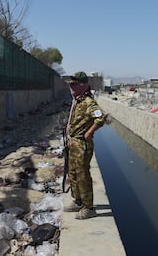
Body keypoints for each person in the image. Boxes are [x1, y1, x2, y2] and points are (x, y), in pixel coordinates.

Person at [64, 71, 106, 220]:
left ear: (84, 85)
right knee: (73, 174)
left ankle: (89, 207)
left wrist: (89, 132)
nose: (71, 87)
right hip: (73, 143)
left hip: (82, 144)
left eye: (74, 84)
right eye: (70, 85)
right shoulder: (78, 101)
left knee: (83, 176)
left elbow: (101, 118)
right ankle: (78, 200)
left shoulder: (89, 102)